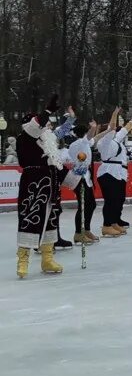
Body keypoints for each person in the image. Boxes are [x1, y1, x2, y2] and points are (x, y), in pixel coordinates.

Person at [15, 95, 66, 278]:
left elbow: (56, 167)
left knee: (51, 220)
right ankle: (23, 260)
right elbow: (35, 126)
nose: (45, 126)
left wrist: (78, 179)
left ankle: (47, 258)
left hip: (50, 186)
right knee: (30, 218)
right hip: (33, 185)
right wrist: (47, 111)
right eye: (42, 123)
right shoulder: (25, 138)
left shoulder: (46, 143)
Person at [65, 119, 102, 245]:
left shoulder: (85, 143)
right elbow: (91, 136)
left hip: (86, 177)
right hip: (79, 178)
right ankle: (78, 233)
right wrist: (93, 127)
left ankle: (86, 230)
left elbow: (94, 138)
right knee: (83, 206)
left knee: (91, 204)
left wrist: (108, 131)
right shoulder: (78, 144)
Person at [97, 108, 132, 236]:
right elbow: (112, 127)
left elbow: (124, 130)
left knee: (119, 198)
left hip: (118, 173)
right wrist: (114, 113)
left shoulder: (115, 140)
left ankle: (114, 221)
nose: (114, 130)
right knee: (111, 200)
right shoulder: (104, 141)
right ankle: (107, 225)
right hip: (108, 173)